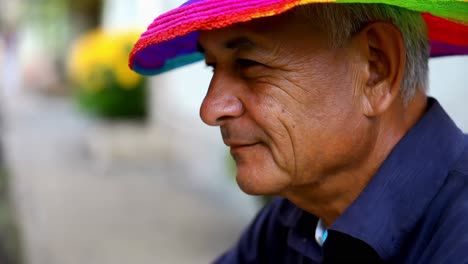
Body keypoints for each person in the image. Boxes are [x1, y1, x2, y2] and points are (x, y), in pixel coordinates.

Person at [129, 1, 468, 263]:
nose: (211, 109)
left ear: (376, 69)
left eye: (249, 64)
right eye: (214, 67)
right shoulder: (299, 213)